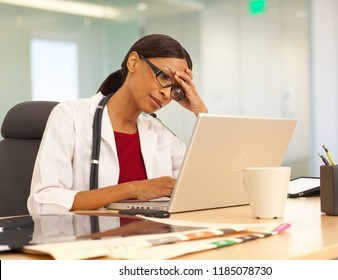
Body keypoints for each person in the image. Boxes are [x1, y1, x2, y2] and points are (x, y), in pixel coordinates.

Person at [27, 34, 208, 216]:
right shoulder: (71, 115)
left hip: (152, 240)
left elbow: (203, 187)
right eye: (163, 77)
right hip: (91, 240)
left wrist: (201, 112)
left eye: (175, 89)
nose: (167, 94)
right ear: (134, 62)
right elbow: (44, 201)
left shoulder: (160, 133)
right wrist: (133, 189)